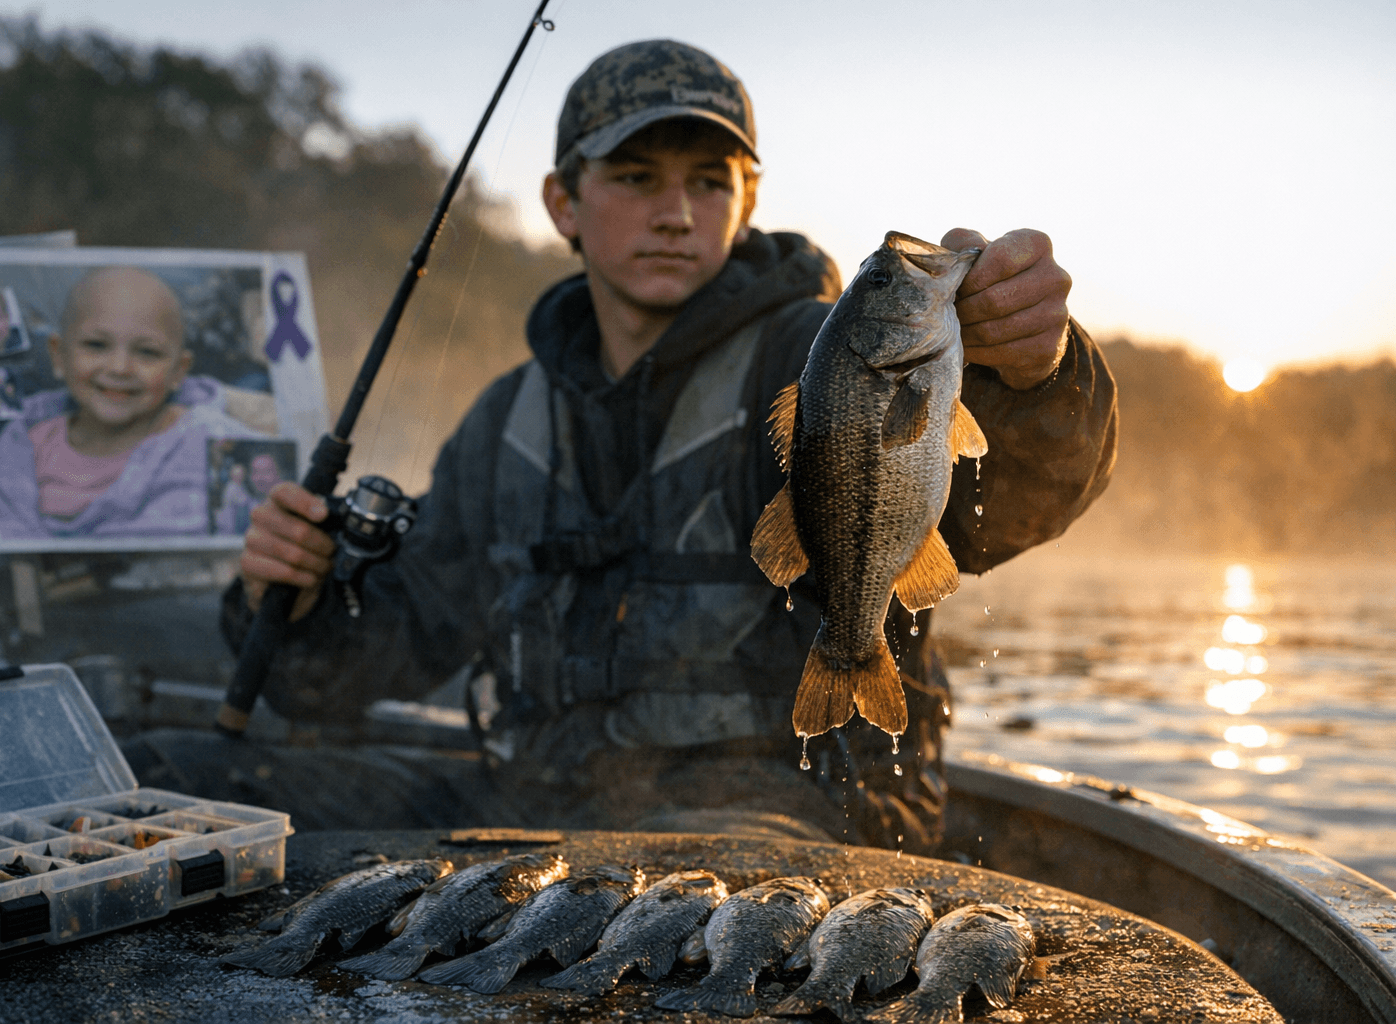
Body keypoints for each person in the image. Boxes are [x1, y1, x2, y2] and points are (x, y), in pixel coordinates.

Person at [124, 40, 1117, 846]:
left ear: (748, 201)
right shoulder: (506, 421)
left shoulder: (814, 356)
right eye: (636, 177)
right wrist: (289, 603)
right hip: (540, 808)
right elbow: (369, 661)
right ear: (565, 202)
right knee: (183, 786)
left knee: (674, 883)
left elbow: (1006, 504)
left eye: (708, 180)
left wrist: (1034, 374)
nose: (675, 212)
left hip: (793, 809)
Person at [0, 266, 261, 540]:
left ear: (179, 371)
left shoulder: (206, 437)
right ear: (58, 356)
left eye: (147, 352)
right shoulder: (28, 443)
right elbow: (9, 539)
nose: (120, 368)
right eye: (96, 345)